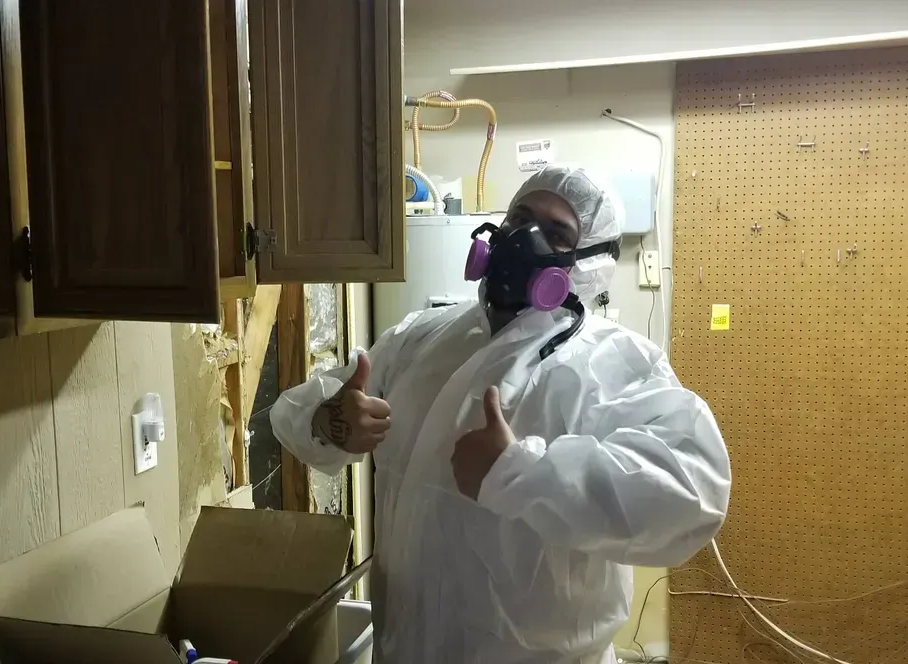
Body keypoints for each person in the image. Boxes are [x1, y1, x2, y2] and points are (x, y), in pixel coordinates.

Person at [271, 164, 731, 663]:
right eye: (520, 217)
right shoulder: (420, 338)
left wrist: (519, 473)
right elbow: (295, 414)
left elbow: (691, 493)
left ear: (588, 262)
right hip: (409, 644)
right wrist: (331, 420)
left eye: (557, 233)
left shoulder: (614, 364)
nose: (523, 239)